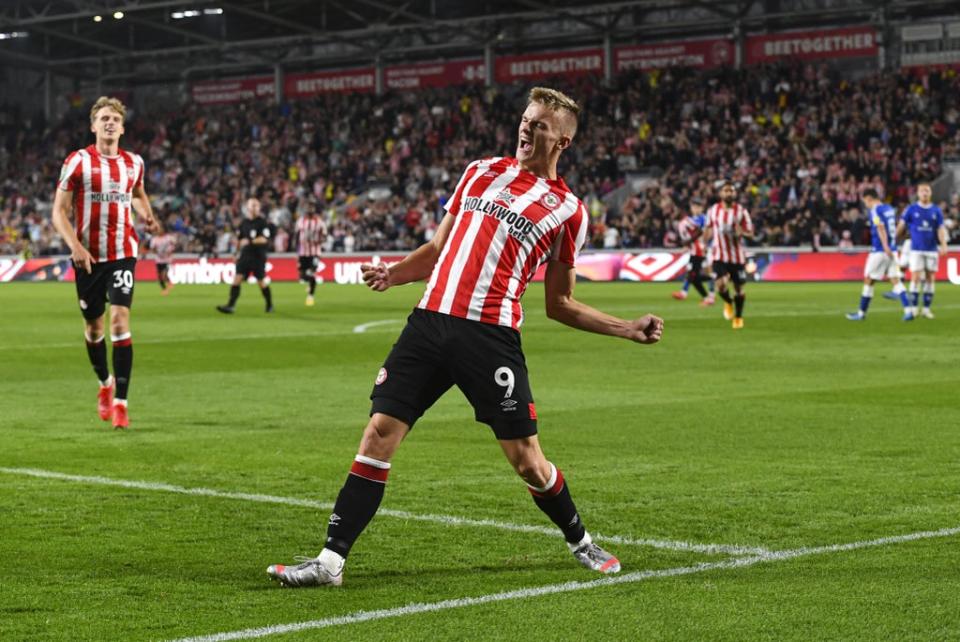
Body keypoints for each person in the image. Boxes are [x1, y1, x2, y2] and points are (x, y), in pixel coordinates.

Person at [266, 87, 664, 588]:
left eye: (539, 125)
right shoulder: (480, 171)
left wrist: (626, 328)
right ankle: (329, 562)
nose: (526, 128)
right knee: (378, 434)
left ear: (562, 140)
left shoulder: (568, 212)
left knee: (527, 461)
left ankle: (580, 539)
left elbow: (559, 302)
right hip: (428, 323)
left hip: (490, 336)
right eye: (525, 119)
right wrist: (394, 274)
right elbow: (437, 247)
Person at [50, 96, 160, 430]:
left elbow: (138, 193)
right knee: (94, 329)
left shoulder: (134, 163)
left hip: (123, 253)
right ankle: (104, 383)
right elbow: (59, 211)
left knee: (119, 320)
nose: (109, 123)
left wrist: (148, 216)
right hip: (88, 259)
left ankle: (122, 403)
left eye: (115, 118)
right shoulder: (78, 162)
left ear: (123, 127)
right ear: (93, 126)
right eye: (103, 118)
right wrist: (75, 246)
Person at [846, 189, 912, 321]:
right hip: (892, 250)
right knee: (895, 280)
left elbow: (880, 227)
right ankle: (909, 311)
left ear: (869, 198)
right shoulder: (888, 209)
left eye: (865, 201)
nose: (866, 205)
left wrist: (885, 246)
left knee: (868, 280)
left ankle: (861, 313)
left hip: (880, 250)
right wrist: (890, 246)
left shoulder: (875, 210)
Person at [702, 181, 753, 329]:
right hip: (719, 255)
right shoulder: (713, 210)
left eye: (731, 191)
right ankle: (728, 302)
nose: (729, 193)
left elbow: (750, 233)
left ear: (735, 193)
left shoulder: (741, 211)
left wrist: (742, 232)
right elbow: (708, 229)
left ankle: (738, 317)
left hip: (737, 257)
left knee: (738, 289)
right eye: (726, 191)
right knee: (721, 285)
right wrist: (704, 244)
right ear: (721, 193)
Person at [896, 183, 948, 319]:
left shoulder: (936, 210)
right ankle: (913, 309)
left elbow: (940, 229)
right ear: (918, 193)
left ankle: (926, 309)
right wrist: (893, 238)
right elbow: (901, 225)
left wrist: (943, 244)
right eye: (922, 191)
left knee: (931, 279)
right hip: (916, 249)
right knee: (915, 277)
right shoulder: (911, 209)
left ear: (930, 193)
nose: (925, 193)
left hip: (931, 249)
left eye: (927, 190)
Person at [216, 197, 274, 314]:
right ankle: (230, 305)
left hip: (258, 256)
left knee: (261, 281)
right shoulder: (244, 223)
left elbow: (265, 239)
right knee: (237, 279)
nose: (254, 208)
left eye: (256, 205)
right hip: (245, 255)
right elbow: (239, 240)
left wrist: (250, 241)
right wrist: (236, 253)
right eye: (252, 205)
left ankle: (269, 304)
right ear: (247, 207)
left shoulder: (262, 222)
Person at [671, 197, 715, 305]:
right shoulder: (692, 220)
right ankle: (685, 292)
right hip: (697, 250)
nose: (695, 209)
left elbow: (709, 232)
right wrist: (689, 245)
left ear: (702, 208)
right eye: (694, 206)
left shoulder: (704, 219)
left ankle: (710, 294)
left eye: (698, 207)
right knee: (692, 272)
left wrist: (705, 244)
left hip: (706, 249)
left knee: (701, 272)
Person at [294, 206, 327, 306]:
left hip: (315, 252)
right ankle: (310, 284)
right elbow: (297, 235)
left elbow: (324, 235)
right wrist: (297, 251)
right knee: (302, 275)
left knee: (311, 272)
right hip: (303, 252)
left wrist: (320, 241)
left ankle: (310, 296)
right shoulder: (301, 221)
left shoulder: (319, 222)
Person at [148, 227, 177, 295]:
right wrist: (156, 252)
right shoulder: (154, 239)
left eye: (161, 230)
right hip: (159, 259)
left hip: (167, 259)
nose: (159, 232)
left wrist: (170, 251)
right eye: (158, 230)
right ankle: (165, 289)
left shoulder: (168, 238)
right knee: (159, 276)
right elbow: (152, 249)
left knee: (164, 274)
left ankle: (169, 283)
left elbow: (174, 244)